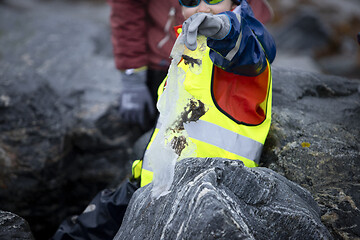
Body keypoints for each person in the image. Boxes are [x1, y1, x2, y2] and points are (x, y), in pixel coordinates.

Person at [51, 0, 275, 239]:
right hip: (152, 186)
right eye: (190, 0)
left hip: (212, 195)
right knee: (84, 227)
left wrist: (225, 28)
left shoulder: (242, 58)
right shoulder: (185, 49)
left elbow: (253, 50)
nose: (202, 8)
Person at [107, 0, 273, 130]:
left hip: (230, 71)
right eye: (190, 1)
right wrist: (132, 74)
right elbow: (126, 8)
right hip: (164, 63)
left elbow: (262, 51)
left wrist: (231, 30)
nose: (202, 9)